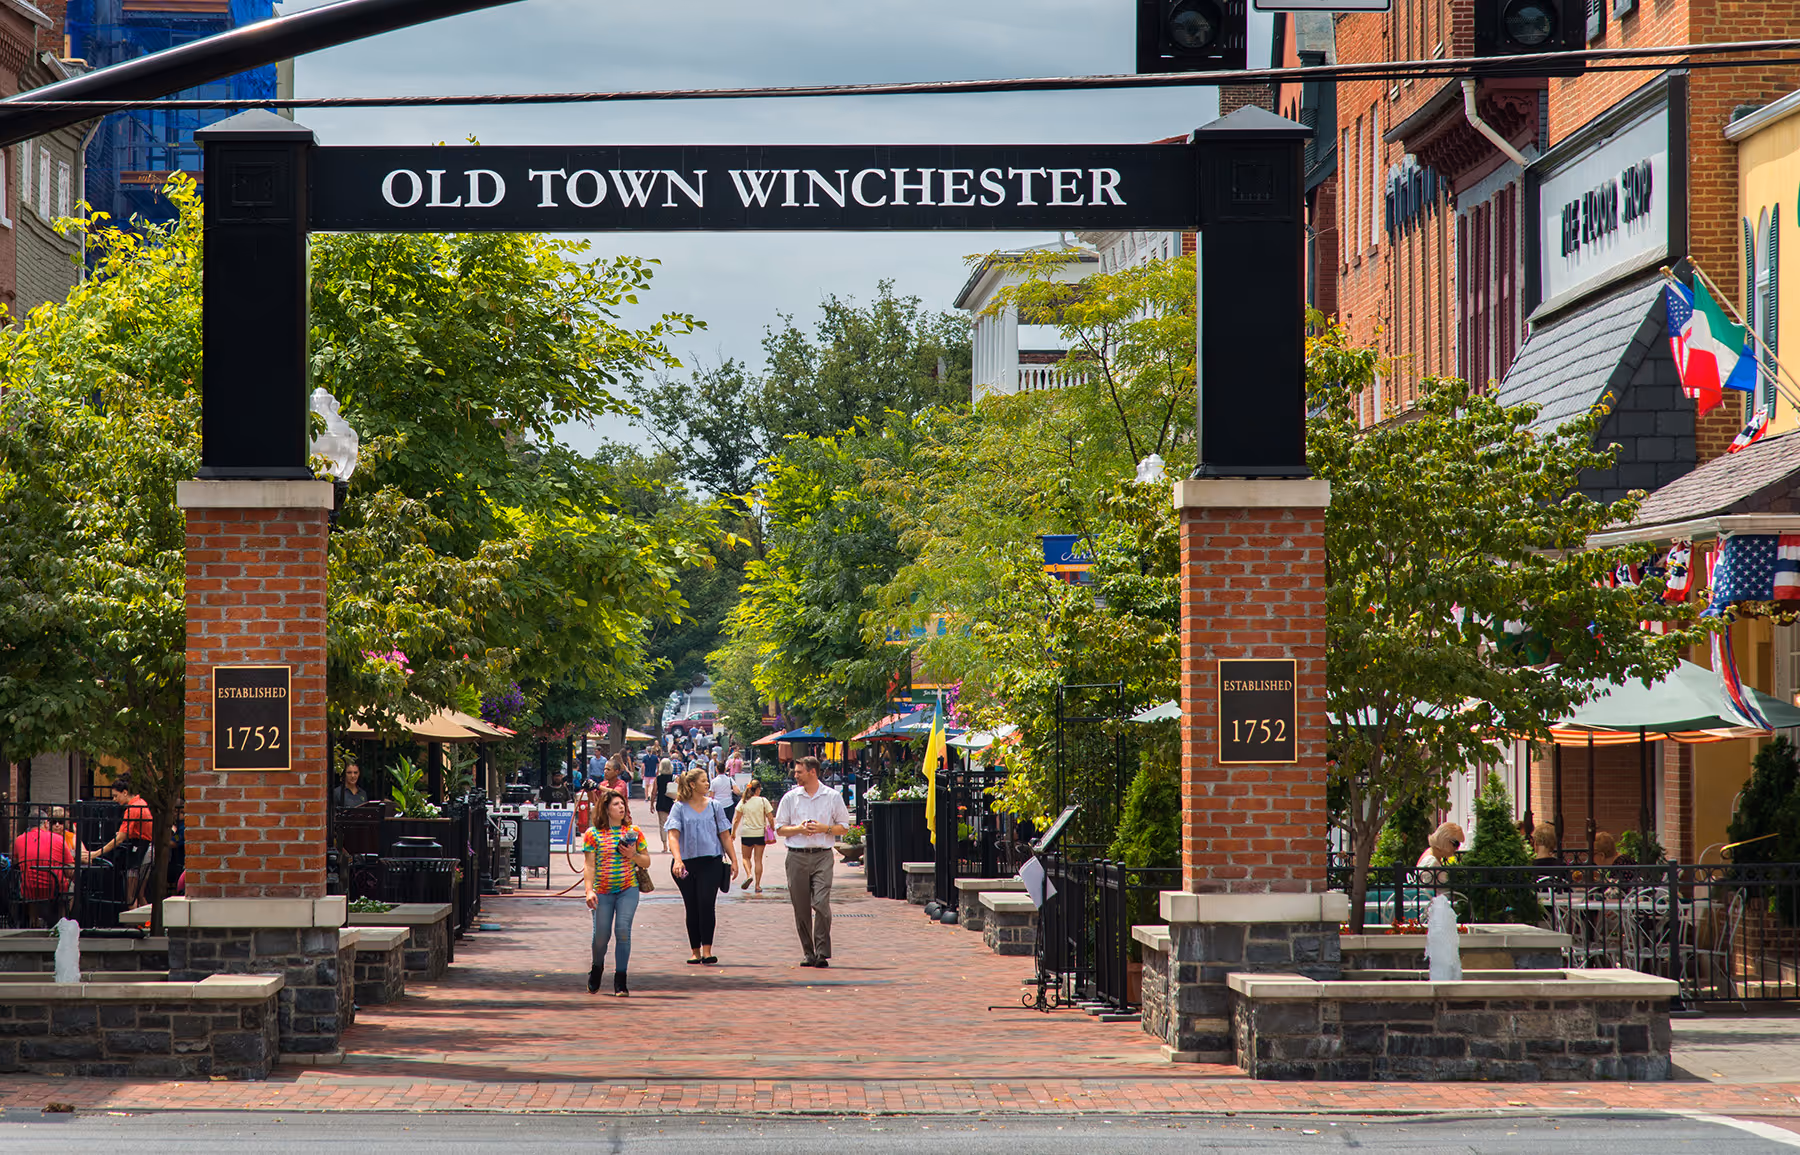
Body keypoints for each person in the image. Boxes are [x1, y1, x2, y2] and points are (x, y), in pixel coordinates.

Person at [774, 755, 852, 968]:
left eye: (799, 771)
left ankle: (822, 952)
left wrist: (824, 828)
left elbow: (844, 826)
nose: (795, 775)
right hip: (796, 855)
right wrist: (799, 829)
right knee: (801, 908)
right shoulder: (790, 798)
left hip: (822, 855)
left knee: (821, 903)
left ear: (812, 772)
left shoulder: (832, 796)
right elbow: (779, 829)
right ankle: (809, 952)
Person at [664, 767, 738, 965]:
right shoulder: (679, 807)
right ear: (692, 784)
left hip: (711, 861)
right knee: (692, 906)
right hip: (686, 863)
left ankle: (707, 950)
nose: (708, 784)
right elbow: (673, 834)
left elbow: (724, 834)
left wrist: (734, 859)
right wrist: (677, 859)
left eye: (708, 780)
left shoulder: (715, 806)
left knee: (706, 903)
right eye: (704, 781)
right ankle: (694, 951)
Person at [582, 786, 650, 996]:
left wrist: (633, 855)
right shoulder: (592, 834)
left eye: (623, 804)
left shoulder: (634, 832)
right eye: (616, 804)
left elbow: (646, 861)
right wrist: (588, 891)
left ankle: (621, 979)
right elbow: (589, 865)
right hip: (602, 891)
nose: (621, 807)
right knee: (601, 936)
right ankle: (597, 967)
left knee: (622, 931)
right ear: (605, 809)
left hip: (627, 888)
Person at [90, 777, 155, 907]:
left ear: (125, 792)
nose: (114, 800)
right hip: (147, 850)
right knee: (140, 894)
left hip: (139, 853)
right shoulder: (141, 803)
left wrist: (96, 853)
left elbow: (120, 838)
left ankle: (135, 925)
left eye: (115, 796)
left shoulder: (133, 809)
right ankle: (148, 925)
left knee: (130, 896)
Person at [11, 807, 71, 925]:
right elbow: (69, 867)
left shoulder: (19, 840)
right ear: (46, 823)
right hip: (54, 889)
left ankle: (33, 922)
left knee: (29, 884)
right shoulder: (58, 839)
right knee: (71, 887)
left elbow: (16, 860)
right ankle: (63, 920)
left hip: (29, 889)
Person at [731, 779, 776, 894]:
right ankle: (757, 885)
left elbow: (736, 819)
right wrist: (772, 827)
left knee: (746, 858)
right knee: (758, 860)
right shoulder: (763, 801)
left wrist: (733, 833)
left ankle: (749, 874)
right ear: (758, 789)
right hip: (760, 834)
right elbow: (770, 817)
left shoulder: (743, 801)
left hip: (746, 834)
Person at [653, 756, 677, 852]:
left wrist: (651, 803)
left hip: (661, 802)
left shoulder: (658, 778)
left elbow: (654, 792)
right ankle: (672, 845)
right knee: (672, 825)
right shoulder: (674, 778)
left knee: (662, 824)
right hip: (672, 802)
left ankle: (664, 846)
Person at [709, 760, 740, 829]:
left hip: (718, 805)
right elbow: (737, 791)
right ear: (725, 769)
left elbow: (711, 796)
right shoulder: (730, 780)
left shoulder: (714, 781)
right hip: (729, 804)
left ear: (716, 770)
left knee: (718, 825)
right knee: (729, 825)